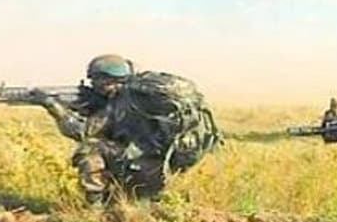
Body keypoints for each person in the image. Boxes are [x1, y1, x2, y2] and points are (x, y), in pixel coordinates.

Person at [30, 54, 221, 205]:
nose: (92, 85)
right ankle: (137, 199)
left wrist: (53, 106)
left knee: (90, 148)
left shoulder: (121, 102)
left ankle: (95, 207)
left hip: (142, 170)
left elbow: (81, 131)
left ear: (107, 81)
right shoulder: (141, 98)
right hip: (166, 169)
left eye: (95, 80)